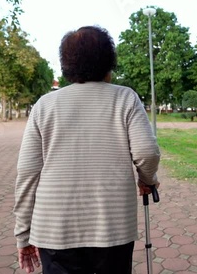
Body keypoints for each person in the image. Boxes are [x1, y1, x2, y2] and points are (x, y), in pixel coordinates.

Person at [13, 26, 161, 274]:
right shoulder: (125, 98)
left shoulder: (44, 105)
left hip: (55, 228)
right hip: (113, 227)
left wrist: (23, 234)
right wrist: (148, 180)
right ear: (109, 61)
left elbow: (28, 173)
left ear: (66, 64)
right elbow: (147, 151)